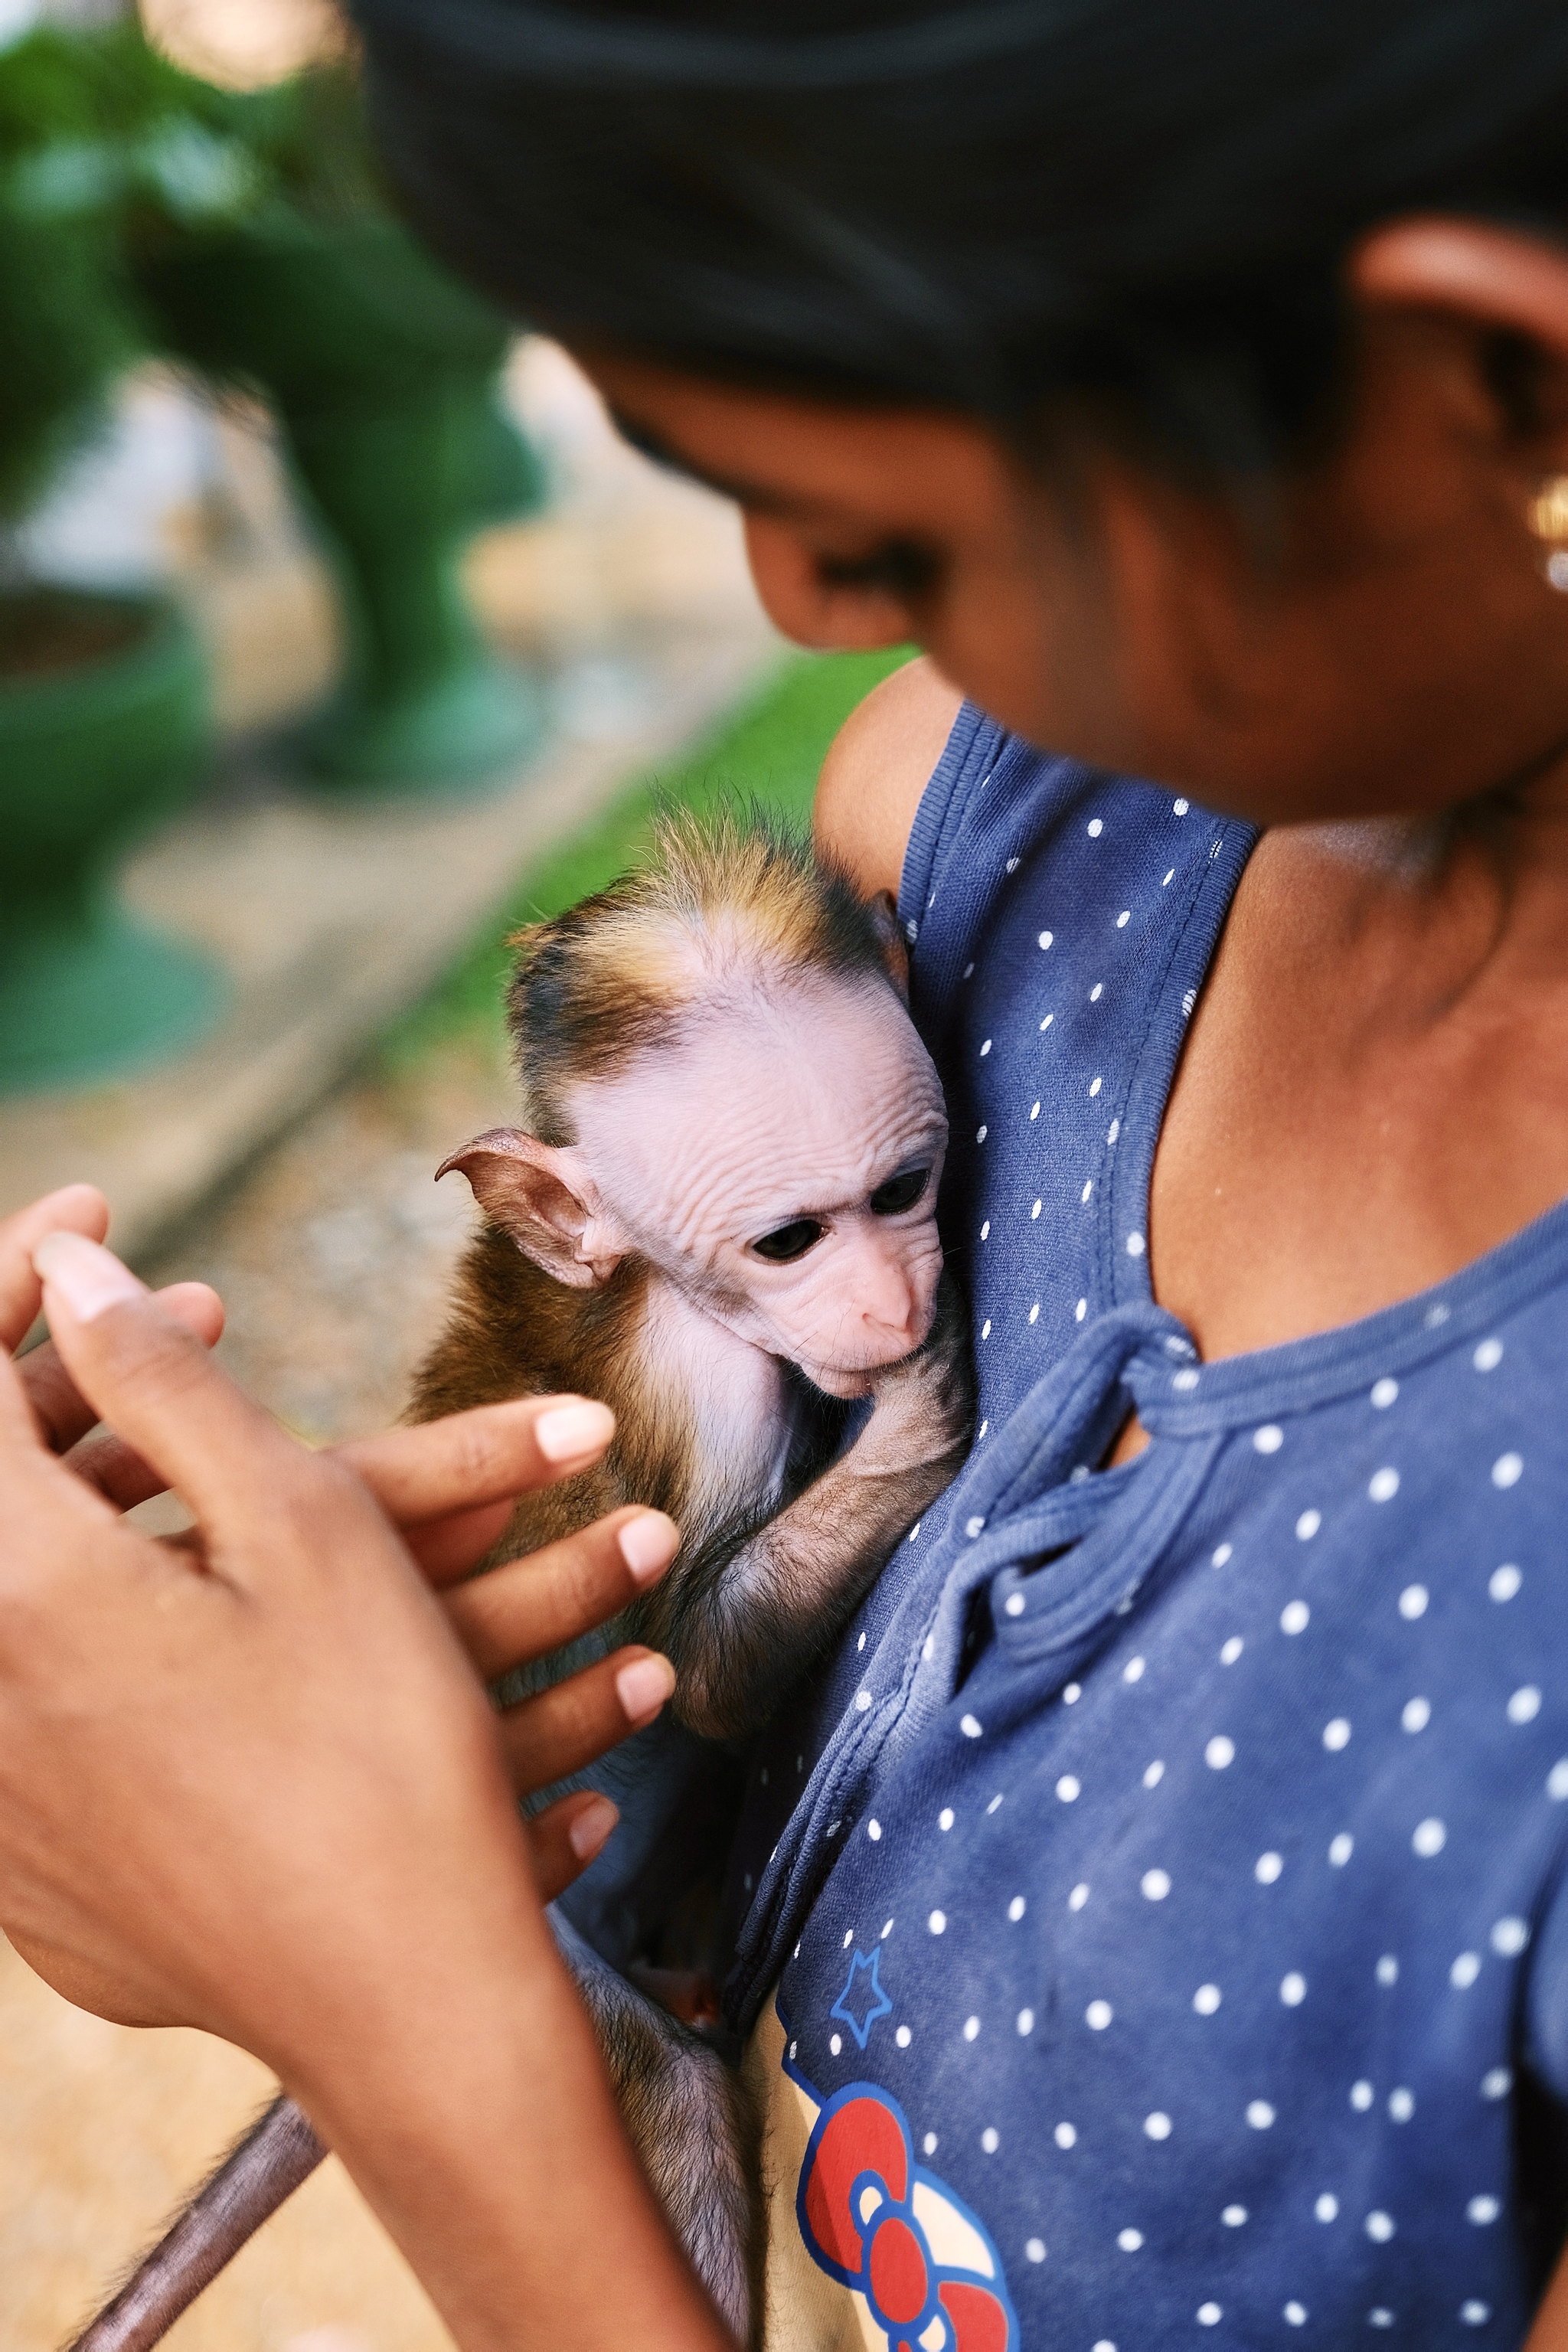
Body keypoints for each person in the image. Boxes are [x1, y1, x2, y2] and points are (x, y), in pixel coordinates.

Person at [6, 0, 1568, 2343]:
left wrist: (397, 2003)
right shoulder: (993, 837)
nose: (802, 613)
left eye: (887, 527)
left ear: (1502, 389)